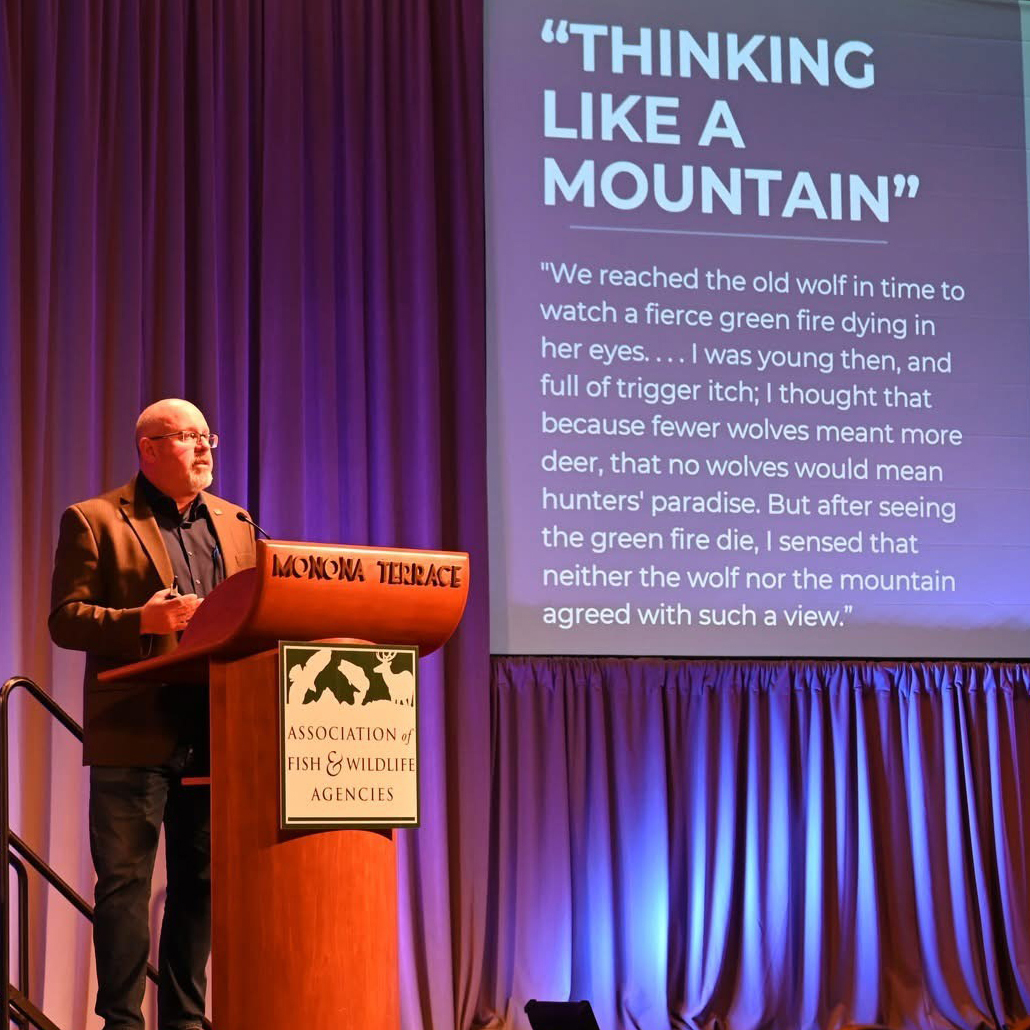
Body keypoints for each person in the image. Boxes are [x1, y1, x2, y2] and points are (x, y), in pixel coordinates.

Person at [49, 399, 257, 1030]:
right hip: (134, 733)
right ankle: (121, 1022)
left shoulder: (237, 521)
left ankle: (187, 1022)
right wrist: (143, 621)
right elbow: (64, 620)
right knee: (124, 890)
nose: (204, 449)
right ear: (148, 448)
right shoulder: (95, 520)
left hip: (215, 728)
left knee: (200, 886)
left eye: (207, 437)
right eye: (188, 437)